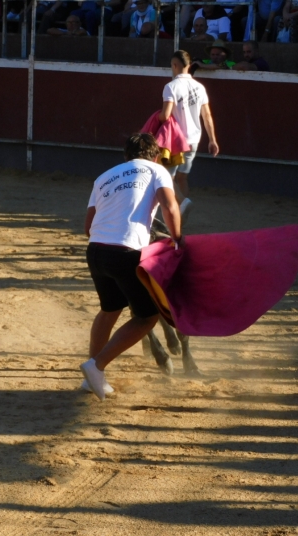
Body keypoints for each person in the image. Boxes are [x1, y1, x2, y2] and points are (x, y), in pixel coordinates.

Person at [80, 133, 182, 401]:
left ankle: (91, 377)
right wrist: (178, 240)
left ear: (125, 156)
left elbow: (87, 227)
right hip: (126, 251)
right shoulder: (157, 170)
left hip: (95, 251)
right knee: (147, 317)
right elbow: (170, 207)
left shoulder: (104, 177)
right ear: (156, 155)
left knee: (109, 310)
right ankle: (96, 366)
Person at [158, 50, 220, 215]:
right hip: (194, 139)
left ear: (175, 65)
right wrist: (212, 140)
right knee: (182, 177)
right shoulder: (199, 87)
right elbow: (207, 115)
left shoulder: (171, 87)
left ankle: (181, 205)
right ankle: (182, 210)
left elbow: (165, 116)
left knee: (166, 177)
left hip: (175, 141)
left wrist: (155, 117)